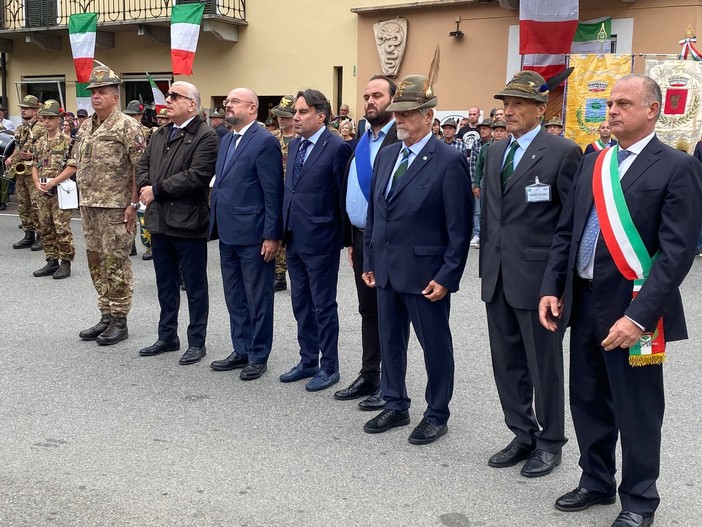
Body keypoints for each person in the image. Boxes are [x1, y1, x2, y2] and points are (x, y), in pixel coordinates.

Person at [539, 74, 702, 527]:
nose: (611, 111)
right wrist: (553, 287)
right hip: (586, 300)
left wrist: (639, 317)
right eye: (610, 103)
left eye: (623, 104)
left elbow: (676, 254)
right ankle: (596, 480)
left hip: (635, 309)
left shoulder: (676, 166)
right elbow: (567, 233)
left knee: (638, 409)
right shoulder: (595, 163)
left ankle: (639, 500)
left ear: (652, 110)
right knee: (587, 398)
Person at [480, 70, 582, 477]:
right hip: (498, 275)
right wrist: (488, 263)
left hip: (539, 281)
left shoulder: (562, 152)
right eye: (506, 104)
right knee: (506, 362)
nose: (509, 111)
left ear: (542, 109)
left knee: (543, 366)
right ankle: (521, 432)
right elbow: (490, 216)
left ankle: (551, 440)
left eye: (518, 104)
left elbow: (568, 223)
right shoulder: (493, 153)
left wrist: (557, 284)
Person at [361, 74, 472, 445]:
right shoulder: (389, 154)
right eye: (397, 114)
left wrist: (447, 275)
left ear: (428, 115)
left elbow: (459, 228)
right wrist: (370, 260)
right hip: (388, 269)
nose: (400, 121)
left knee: (435, 344)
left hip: (426, 273)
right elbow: (376, 212)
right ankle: (395, 402)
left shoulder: (448, 161)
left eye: (407, 114)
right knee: (391, 340)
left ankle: (437, 412)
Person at [136, 81, 217, 366]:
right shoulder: (160, 134)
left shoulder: (206, 136)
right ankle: (167, 335)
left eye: (174, 96)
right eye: (168, 96)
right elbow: (143, 165)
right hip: (160, 221)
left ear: (191, 105)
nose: (167, 100)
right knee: (165, 284)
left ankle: (197, 341)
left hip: (188, 222)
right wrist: (146, 185)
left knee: (195, 286)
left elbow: (197, 175)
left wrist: (156, 189)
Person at [279, 89, 352, 392]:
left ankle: (329, 365)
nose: (295, 117)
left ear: (321, 116)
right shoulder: (295, 146)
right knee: (301, 303)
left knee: (323, 305)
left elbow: (343, 197)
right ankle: (307, 359)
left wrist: (346, 243)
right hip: (294, 236)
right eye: (295, 112)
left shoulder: (336, 147)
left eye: (302, 112)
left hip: (321, 238)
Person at [208, 87, 283, 379]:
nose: (227, 105)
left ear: (252, 108)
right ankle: (240, 349)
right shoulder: (227, 139)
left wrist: (271, 235)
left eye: (234, 101)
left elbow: (272, 192)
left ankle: (258, 354)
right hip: (228, 231)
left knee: (258, 297)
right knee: (235, 296)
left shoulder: (264, 141)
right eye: (226, 101)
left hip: (254, 235)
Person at [335, 74, 398, 410]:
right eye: (366, 96)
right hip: (361, 238)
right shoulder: (363, 137)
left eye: (377, 95)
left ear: (393, 99)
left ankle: (391, 382)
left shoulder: (400, 140)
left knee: (389, 313)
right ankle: (369, 373)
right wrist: (349, 240)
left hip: (388, 241)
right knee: (368, 310)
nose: (370, 101)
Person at [74, 65, 146, 346]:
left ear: (115, 97)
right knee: (95, 260)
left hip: (116, 207)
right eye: (93, 92)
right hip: (89, 206)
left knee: (116, 262)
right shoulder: (85, 125)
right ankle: (105, 313)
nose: (96, 97)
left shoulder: (129, 126)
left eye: (102, 92)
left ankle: (120, 319)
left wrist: (132, 203)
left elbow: (139, 169)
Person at [30, 99, 76, 280]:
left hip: (59, 191)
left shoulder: (67, 142)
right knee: (45, 227)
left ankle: (65, 262)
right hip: (42, 190)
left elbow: (72, 167)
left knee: (61, 227)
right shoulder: (39, 142)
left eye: (51, 118)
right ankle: (51, 260)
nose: (46, 121)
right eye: (44, 118)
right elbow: (34, 164)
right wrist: (36, 182)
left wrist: (53, 183)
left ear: (59, 119)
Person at [7, 95, 44, 251]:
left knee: (37, 205)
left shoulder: (41, 128)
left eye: (26, 108)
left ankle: (41, 236)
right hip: (21, 171)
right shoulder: (20, 128)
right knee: (23, 204)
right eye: (22, 108)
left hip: (34, 171)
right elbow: (18, 147)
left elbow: (47, 148)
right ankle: (28, 234)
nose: (23, 110)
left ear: (35, 111)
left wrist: (33, 155)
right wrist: (11, 158)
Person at [270, 95, 297, 292]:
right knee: (277, 232)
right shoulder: (272, 139)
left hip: (295, 194)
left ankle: (294, 270)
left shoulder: (301, 138)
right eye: (279, 116)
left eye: (286, 116)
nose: (282, 119)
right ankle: (279, 274)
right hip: (277, 191)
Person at [468, 118, 494, 248]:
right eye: (481, 128)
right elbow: (475, 166)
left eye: (485, 128)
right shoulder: (479, 145)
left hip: (494, 183)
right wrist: (475, 183)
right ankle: (478, 234)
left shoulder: (497, 144)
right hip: (482, 181)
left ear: (491, 130)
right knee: (478, 210)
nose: (482, 130)